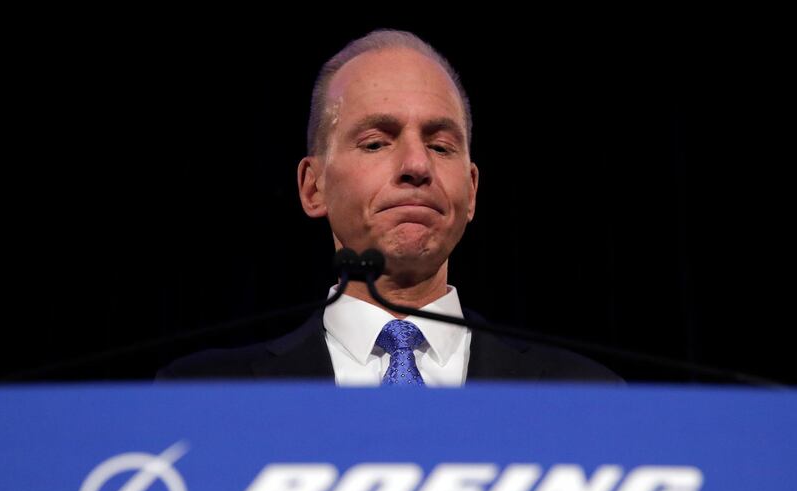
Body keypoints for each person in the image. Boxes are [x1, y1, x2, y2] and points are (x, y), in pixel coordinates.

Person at [158, 29, 620, 385]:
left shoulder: (586, 394)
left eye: (441, 147)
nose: (417, 165)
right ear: (313, 187)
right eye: (377, 142)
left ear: (472, 189)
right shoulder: (204, 394)